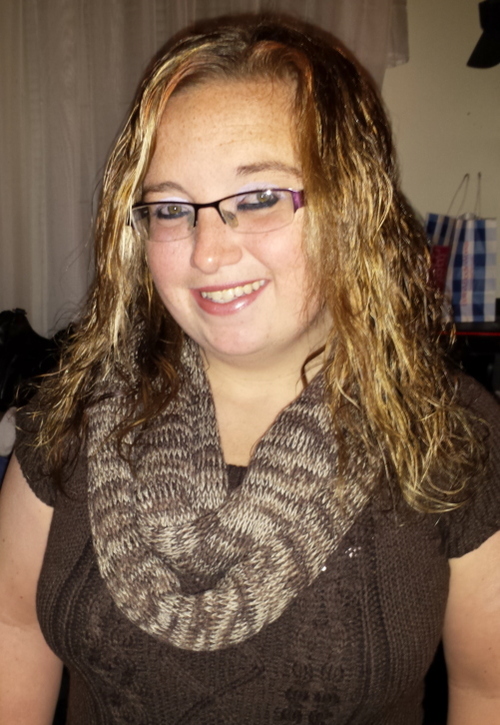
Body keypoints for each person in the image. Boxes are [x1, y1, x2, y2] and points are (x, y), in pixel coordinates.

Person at [0, 13, 499, 725]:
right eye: (171, 208)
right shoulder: (72, 412)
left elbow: (487, 689)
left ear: (351, 203)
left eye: (260, 198)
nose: (207, 251)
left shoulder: (451, 432)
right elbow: (13, 625)